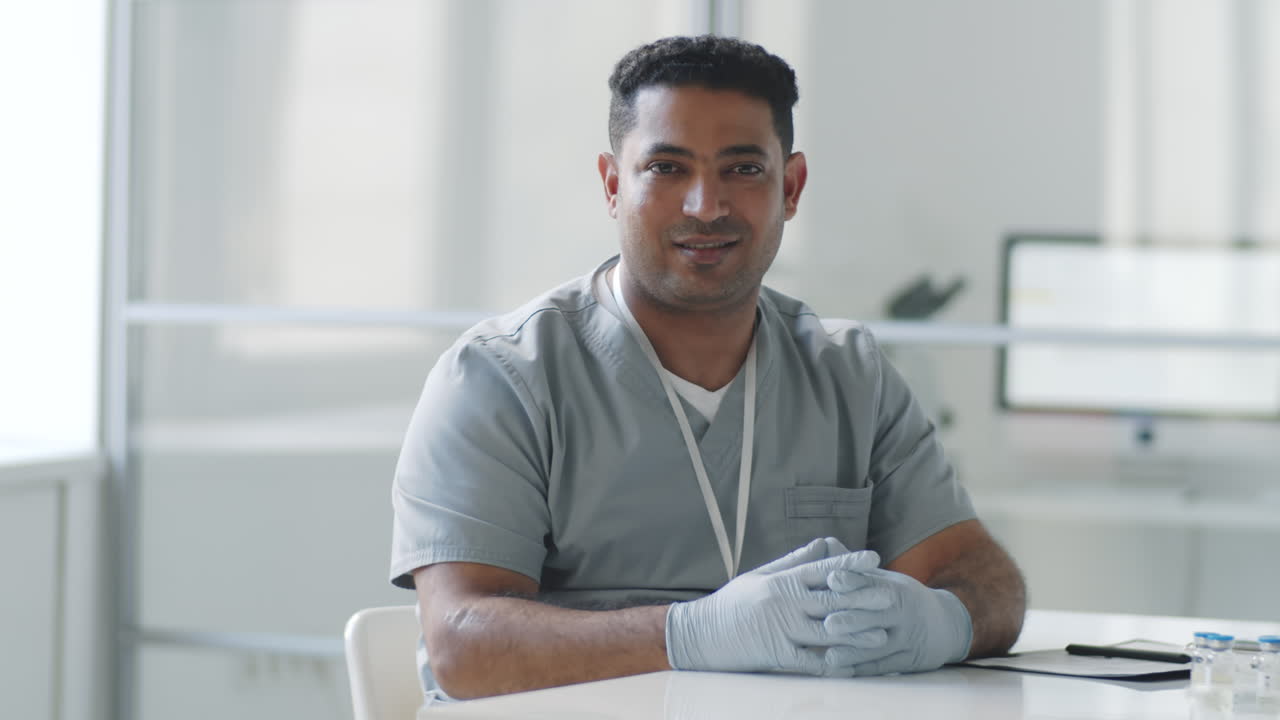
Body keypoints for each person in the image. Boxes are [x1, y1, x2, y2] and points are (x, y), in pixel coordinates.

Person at [389, 35, 1026, 703]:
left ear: (792, 186)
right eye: (667, 168)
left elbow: (984, 578)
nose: (706, 205)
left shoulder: (849, 375)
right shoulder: (499, 380)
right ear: (612, 185)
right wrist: (688, 636)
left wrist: (945, 621)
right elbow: (462, 646)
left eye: (743, 169)